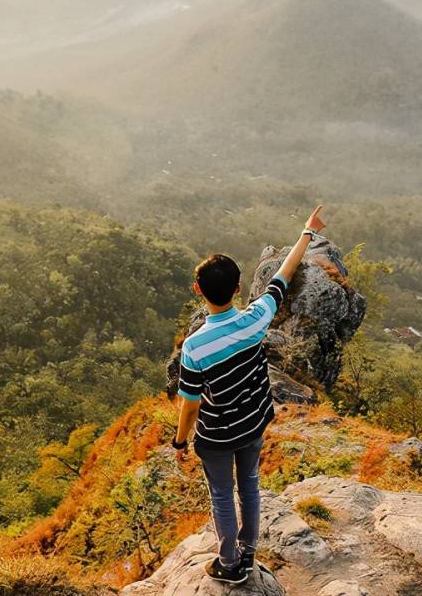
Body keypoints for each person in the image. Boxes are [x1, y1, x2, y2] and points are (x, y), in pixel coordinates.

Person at [171, 205, 327, 585]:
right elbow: (282, 276)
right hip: (254, 423)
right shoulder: (256, 318)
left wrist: (180, 442)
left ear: (198, 291)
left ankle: (229, 563)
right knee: (250, 485)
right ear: (238, 289)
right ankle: (249, 552)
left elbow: (190, 405)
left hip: (218, 436)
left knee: (223, 495)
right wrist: (307, 232)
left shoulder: (195, 347)